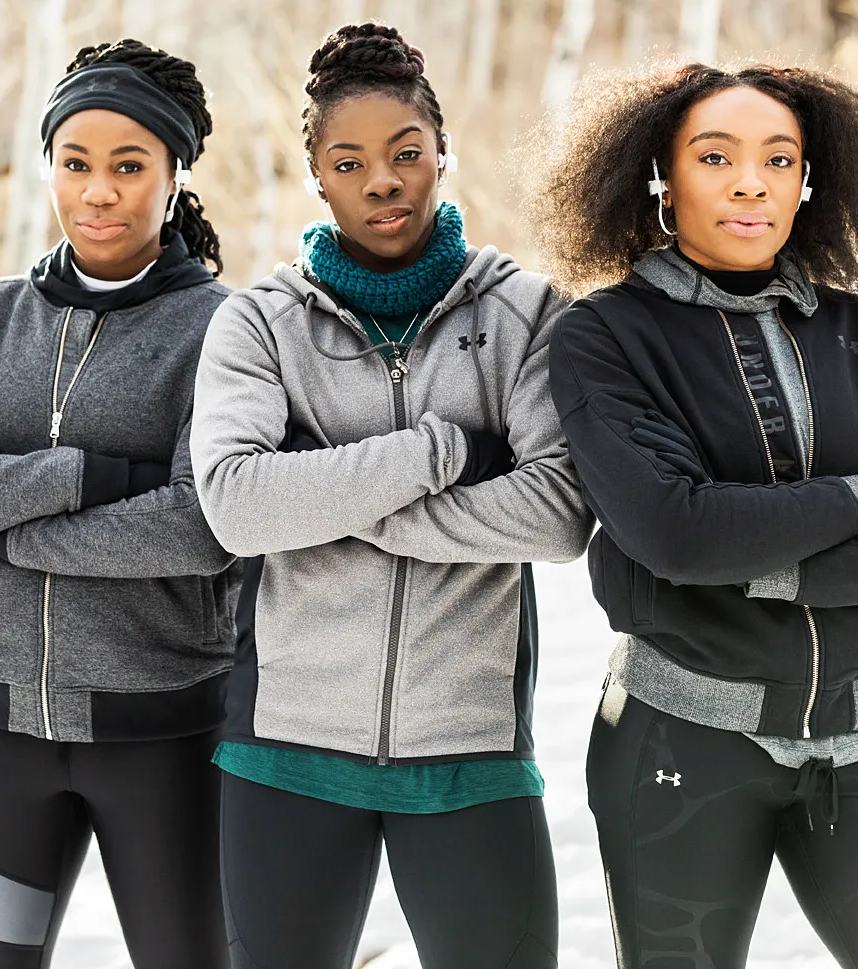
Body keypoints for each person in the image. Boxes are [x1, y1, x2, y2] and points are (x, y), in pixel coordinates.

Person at [535, 64, 858, 969]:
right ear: (662, 177)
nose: (752, 181)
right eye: (717, 156)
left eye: (779, 159)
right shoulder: (607, 337)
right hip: (682, 745)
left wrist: (775, 566)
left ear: (807, 183)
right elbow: (677, 532)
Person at [191, 22, 593, 969]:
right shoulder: (260, 325)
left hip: (471, 749)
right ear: (317, 178)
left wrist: (328, 494)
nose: (383, 180)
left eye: (407, 153)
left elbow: (559, 512)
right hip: (286, 750)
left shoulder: (525, 314)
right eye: (351, 160)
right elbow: (239, 507)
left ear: (442, 154)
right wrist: (445, 449)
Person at [0, 39, 236, 969]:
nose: (98, 191)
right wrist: (83, 476)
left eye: (129, 165)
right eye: (76, 164)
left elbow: (202, 525)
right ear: (50, 169)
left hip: (169, 740)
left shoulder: (224, 329)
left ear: (175, 173)